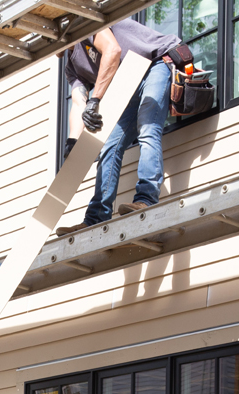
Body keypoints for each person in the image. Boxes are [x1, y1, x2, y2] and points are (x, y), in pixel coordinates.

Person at [56, 19, 181, 236]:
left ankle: (146, 199)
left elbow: (113, 51)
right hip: (129, 82)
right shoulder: (72, 66)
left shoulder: (87, 27)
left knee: (147, 127)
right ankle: (96, 217)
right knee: (108, 146)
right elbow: (78, 101)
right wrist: (72, 140)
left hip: (155, 62)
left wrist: (95, 100)